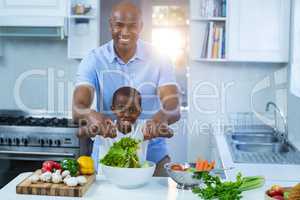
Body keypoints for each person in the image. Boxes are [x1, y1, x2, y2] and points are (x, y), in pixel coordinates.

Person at [72, 1, 180, 176]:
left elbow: (173, 106)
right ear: (110, 25)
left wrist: (161, 118)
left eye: (132, 26)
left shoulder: (160, 58)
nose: (125, 32)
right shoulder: (93, 59)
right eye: (119, 25)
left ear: (141, 27)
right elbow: (78, 108)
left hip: (154, 160)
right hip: (107, 162)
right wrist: (92, 115)